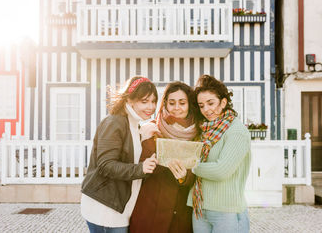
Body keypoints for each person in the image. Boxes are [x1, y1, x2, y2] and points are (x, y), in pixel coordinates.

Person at [81, 76, 159, 233]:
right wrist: (141, 169)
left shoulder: (133, 124)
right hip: (105, 208)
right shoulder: (114, 122)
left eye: (153, 101)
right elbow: (106, 165)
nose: (150, 107)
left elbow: (126, 149)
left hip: (119, 208)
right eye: (144, 102)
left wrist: (142, 135)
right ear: (130, 100)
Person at [130, 81, 201, 233]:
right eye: (172, 103)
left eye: (182, 103)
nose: (177, 108)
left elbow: (198, 172)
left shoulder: (197, 135)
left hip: (179, 213)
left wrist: (184, 177)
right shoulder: (150, 129)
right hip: (151, 208)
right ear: (165, 104)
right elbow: (138, 165)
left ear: (189, 105)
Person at [187, 75, 251, 233]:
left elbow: (221, 170)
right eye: (201, 106)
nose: (206, 110)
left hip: (226, 211)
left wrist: (191, 165)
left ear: (223, 102)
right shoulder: (205, 130)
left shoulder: (237, 131)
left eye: (211, 103)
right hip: (200, 208)